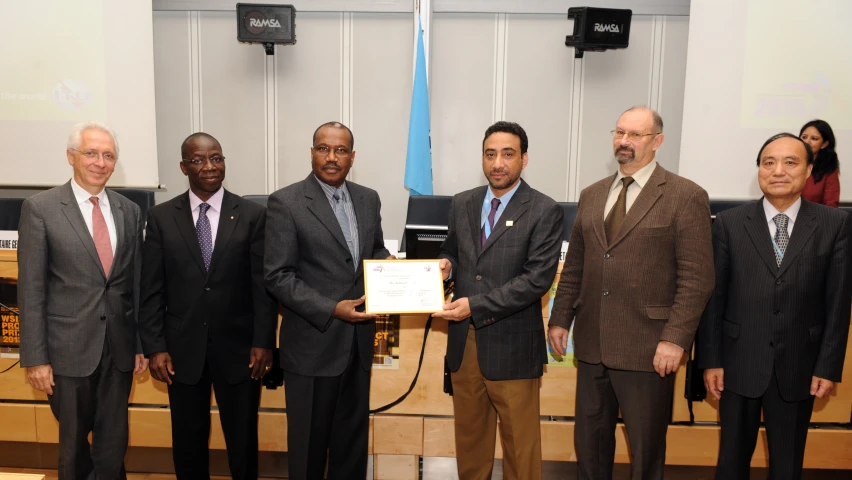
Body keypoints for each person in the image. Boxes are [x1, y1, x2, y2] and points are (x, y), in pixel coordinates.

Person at [548, 107, 714, 480]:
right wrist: (560, 319)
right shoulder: (592, 194)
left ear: (658, 141)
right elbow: (576, 265)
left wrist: (675, 340)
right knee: (589, 446)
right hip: (592, 348)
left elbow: (697, 278)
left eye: (636, 135)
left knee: (645, 452)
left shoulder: (685, 196)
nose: (624, 141)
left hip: (650, 349)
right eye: (620, 132)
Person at [698, 133, 852, 479]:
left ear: (810, 170)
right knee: (732, 463)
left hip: (801, 365)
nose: (778, 170)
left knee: (788, 465)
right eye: (769, 162)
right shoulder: (729, 223)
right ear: (759, 171)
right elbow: (713, 299)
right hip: (737, 366)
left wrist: (828, 366)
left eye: (790, 162)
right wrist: (711, 361)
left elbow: (839, 302)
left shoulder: (835, 224)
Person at [138, 132, 277, 479]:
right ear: (184, 167)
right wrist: (155, 347)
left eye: (216, 158)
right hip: (181, 352)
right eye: (199, 160)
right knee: (188, 443)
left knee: (243, 442)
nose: (209, 166)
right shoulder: (160, 218)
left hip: (241, 350)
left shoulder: (252, 215)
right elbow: (151, 289)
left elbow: (262, 286)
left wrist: (264, 342)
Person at [433, 121, 564, 480]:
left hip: (512, 346)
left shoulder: (543, 210)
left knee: (520, 448)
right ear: (482, 158)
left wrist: (474, 305)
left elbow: (535, 280)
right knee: (471, 445)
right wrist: (447, 266)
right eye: (490, 154)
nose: (498, 163)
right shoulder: (463, 202)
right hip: (464, 346)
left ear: (524, 159)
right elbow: (454, 251)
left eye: (508, 154)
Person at [18, 122, 148, 479]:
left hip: (118, 350)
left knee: (113, 445)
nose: (100, 162)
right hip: (66, 352)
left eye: (108, 155)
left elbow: (133, 285)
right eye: (91, 153)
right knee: (74, 448)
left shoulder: (129, 211)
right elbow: (30, 289)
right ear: (71, 157)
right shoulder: (41, 208)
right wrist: (35, 358)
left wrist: (139, 344)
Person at [264, 121, 391, 480]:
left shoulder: (369, 198)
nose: (331, 157)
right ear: (312, 153)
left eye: (340, 150)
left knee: (351, 445)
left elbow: (375, 249)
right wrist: (331, 308)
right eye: (323, 149)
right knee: (308, 450)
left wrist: (390, 267)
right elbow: (277, 275)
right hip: (312, 347)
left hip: (357, 347)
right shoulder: (286, 202)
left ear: (352, 157)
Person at [799, 119, 840, 207]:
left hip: (815, 218)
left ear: (824, 144)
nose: (807, 142)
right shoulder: (788, 163)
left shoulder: (829, 169)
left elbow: (831, 205)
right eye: (804, 137)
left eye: (814, 138)